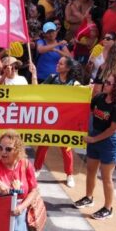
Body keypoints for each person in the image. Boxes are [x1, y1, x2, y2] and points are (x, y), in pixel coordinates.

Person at [76, 72, 116, 220]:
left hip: (110, 141)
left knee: (106, 177)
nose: (105, 84)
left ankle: (108, 207)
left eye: (109, 83)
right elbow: (89, 111)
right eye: (106, 82)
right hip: (96, 136)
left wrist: (94, 139)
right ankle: (88, 197)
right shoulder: (99, 98)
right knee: (91, 170)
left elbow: (112, 129)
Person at [34, 56, 80, 187]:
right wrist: (34, 75)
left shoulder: (73, 83)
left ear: (68, 68)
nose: (57, 65)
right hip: (50, 120)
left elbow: (82, 94)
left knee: (66, 148)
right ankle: (37, 169)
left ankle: (69, 174)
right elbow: (38, 90)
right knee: (43, 144)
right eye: (58, 63)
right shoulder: (52, 78)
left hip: (65, 122)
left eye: (61, 64)